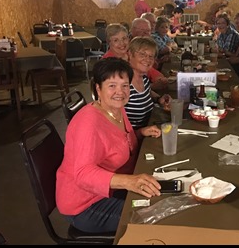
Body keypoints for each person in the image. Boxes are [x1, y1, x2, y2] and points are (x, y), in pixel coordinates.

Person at [56, 57, 162, 234]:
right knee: (155, 216)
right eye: (112, 85)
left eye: (125, 85)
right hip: (85, 204)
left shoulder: (116, 109)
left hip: (110, 190)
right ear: (98, 88)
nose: (120, 92)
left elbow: (116, 142)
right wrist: (129, 181)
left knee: (161, 197)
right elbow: (83, 174)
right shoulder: (89, 123)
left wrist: (139, 132)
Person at [125, 36, 171, 135]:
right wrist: (140, 132)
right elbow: (116, 131)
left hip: (150, 131)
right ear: (130, 54)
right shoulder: (124, 85)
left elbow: (147, 92)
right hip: (134, 142)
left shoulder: (144, 79)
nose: (147, 59)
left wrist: (159, 99)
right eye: (142, 54)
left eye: (151, 56)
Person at [130, 18, 168, 91]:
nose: (145, 33)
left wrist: (159, 99)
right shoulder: (125, 48)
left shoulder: (144, 79)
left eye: (148, 31)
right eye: (142, 30)